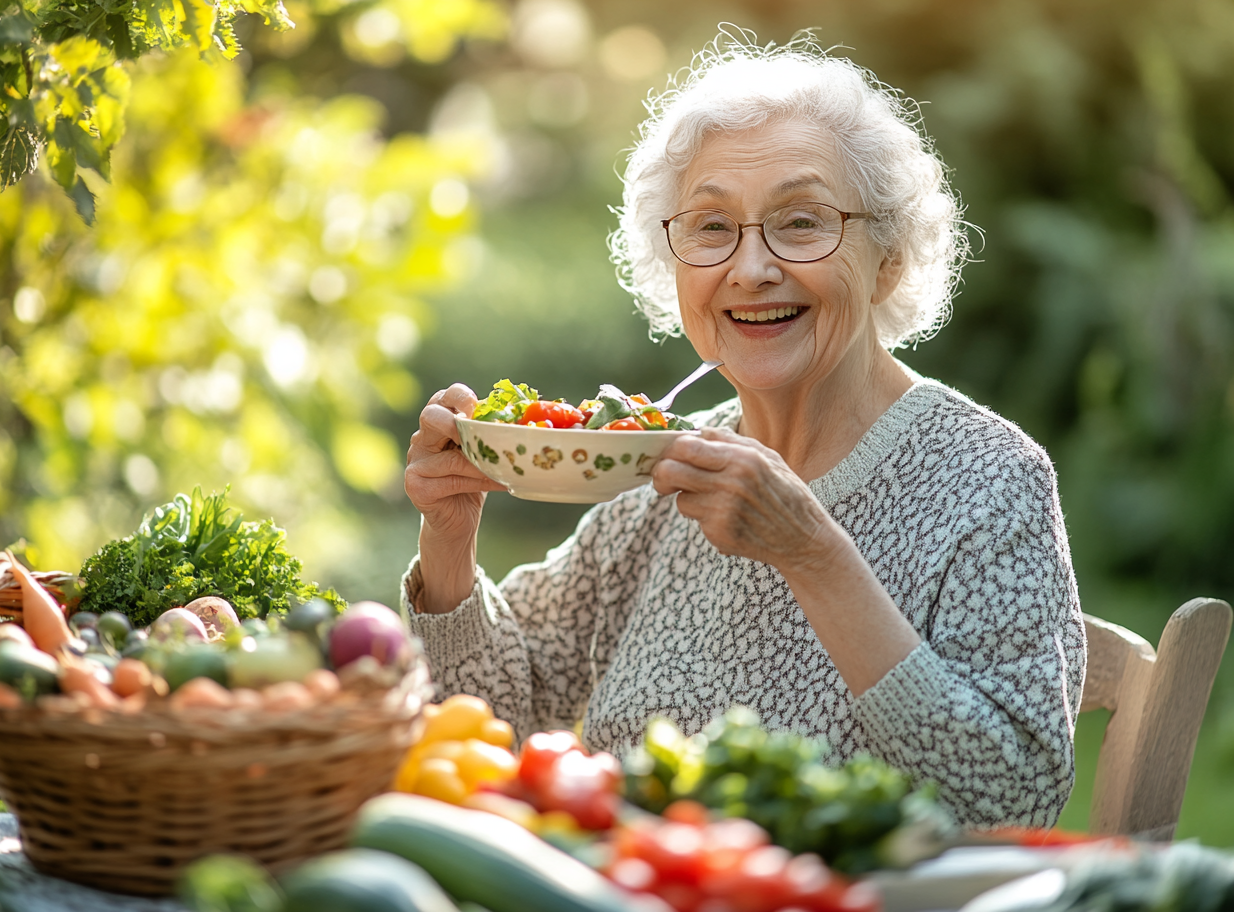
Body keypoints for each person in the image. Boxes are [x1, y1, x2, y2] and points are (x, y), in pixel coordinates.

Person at [402, 32, 1085, 828]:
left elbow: (1017, 799)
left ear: (889, 258)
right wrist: (448, 539)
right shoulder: (655, 473)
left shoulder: (988, 482)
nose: (751, 268)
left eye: (800, 223)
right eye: (711, 227)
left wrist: (813, 554)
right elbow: (492, 727)